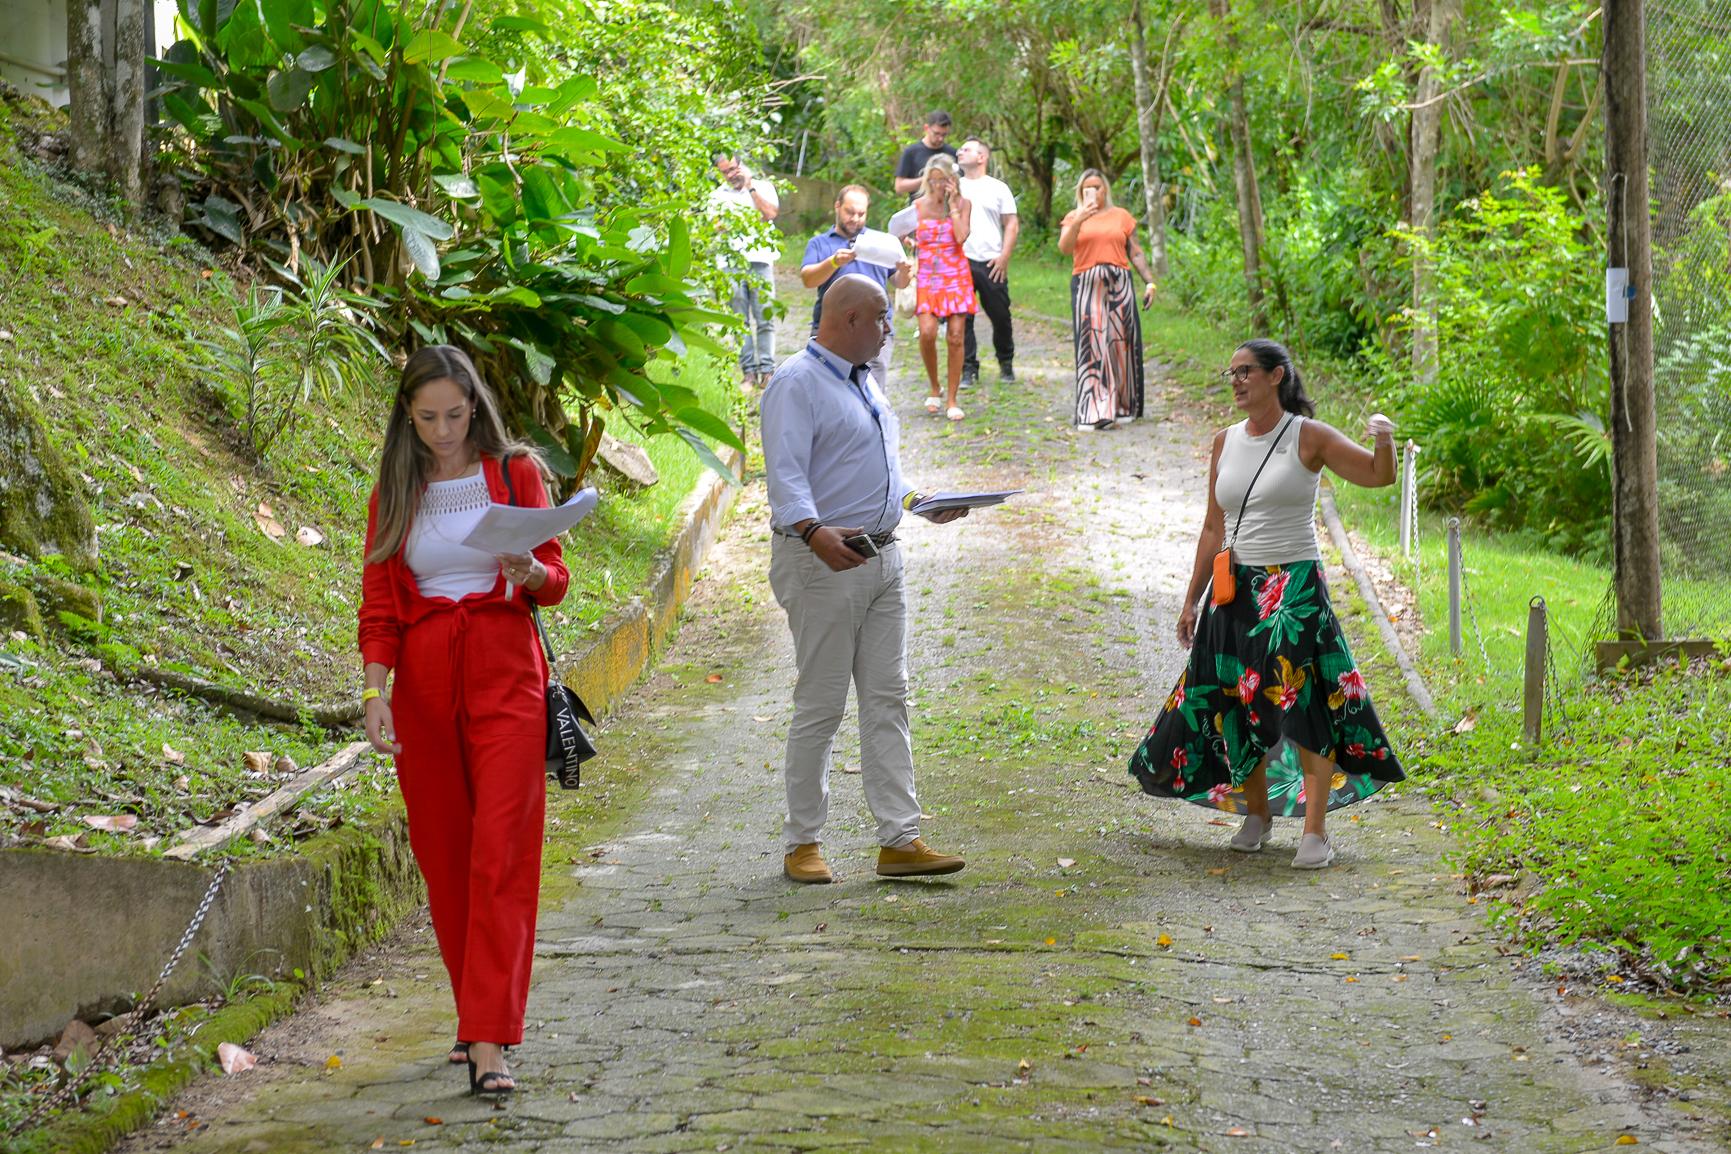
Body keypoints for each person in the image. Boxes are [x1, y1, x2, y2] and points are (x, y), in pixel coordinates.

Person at [358, 345, 570, 1096]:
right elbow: (381, 603)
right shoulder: (398, 485)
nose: (443, 431)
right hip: (422, 676)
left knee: (501, 849)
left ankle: (489, 1041)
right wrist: (376, 691)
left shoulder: (513, 471)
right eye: (426, 418)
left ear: (473, 405)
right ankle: (470, 1011)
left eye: (454, 414)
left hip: (504, 664)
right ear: (406, 419)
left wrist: (531, 572)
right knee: (445, 853)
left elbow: (555, 580)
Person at [1127, 339, 1403, 870]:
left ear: (1276, 376)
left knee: (1305, 706)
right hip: (1235, 593)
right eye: (1230, 372)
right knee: (1234, 700)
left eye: (1245, 371)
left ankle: (1316, 833)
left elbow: (1377, 474)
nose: (1235, 381)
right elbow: (1213, 526)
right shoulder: (1223, 442)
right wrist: (1192, 600)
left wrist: (1384, 439)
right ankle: (1257, 813)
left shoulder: (1308, 437)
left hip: (1293, 589)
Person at [759, 276, 972, 884]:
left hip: (884, 558)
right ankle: (803, 841)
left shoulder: (865, 381)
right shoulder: (796, 383)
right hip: (825, 560)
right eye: (882, 317)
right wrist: (812, 533)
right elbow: (787, 474)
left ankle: (900, 839)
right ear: (849, 318)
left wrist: (918, 499)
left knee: (889, 698)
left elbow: (873, 470)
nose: (890, 329)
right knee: (821, 703)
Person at [1057, 169, 1156, 430]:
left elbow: (1135, 252)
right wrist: (1079, 219)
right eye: (1088, 187)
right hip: (1087, 283)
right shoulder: (1072, 217)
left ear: (1105, 190)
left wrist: (1149, 281)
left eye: (1098, 187)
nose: (1094, 192)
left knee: (1121, 343)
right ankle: (1095, 411)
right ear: (1081, 191)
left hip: (1119, 282)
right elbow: (1065, 248)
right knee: (1092, 344)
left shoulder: (1121, 216)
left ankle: (1123, 406)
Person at [799, 184, 912, 388]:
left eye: (861, 213)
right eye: (850, 212)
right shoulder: (820, 243)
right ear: (837, 207)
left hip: (876, 329)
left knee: (873, 394)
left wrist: (905, 272)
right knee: (827, 390)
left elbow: (899, 282)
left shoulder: (881, 242)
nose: (855, 218)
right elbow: (808, 279)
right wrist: (833, 262)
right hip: (831, 328)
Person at [710, 152, 781, 389]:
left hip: (760, 260)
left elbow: (769, 214)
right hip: (730, 263)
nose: (731, 175)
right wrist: (743, 220)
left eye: (733, 169)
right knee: (739, 321)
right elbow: (717, 226)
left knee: (765, 318)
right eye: (725, 172)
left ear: (741, 164)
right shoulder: (717, 196)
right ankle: (749, 372)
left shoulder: (764, 187)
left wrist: (750, 188)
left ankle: (768, 371)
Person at [911, 154, 974, 421]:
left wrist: (953, 206)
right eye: (933, 180)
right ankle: (934, 386)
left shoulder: (962, 204)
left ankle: (951, 398)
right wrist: (908, 244)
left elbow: (961, 237)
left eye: (942, 180)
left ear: (952, 181)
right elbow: (907, 237)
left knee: (957, 336)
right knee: (927, 332)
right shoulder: (916, 206)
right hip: (927, 276)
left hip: (956, 277)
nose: (937, 185)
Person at [956, 137, 1019, 387]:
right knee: (962, 318)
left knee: (1000, 315)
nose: (960, 151)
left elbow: (1011, 223)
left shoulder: (998, 188)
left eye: (967, 149)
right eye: (960, 149)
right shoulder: (954, 187)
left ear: (982, 157)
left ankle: (1006, 362)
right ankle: (968, 369)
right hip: (960, 261)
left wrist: (1004, 256)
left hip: (991, 260)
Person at [892, 110, 958, 199]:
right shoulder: (911, 152)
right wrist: (928, 179)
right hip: (919, 207)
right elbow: (899, 187)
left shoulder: (952, 153)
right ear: (926, 128)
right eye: (936, 133)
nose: (940, 138)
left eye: (944, 135)